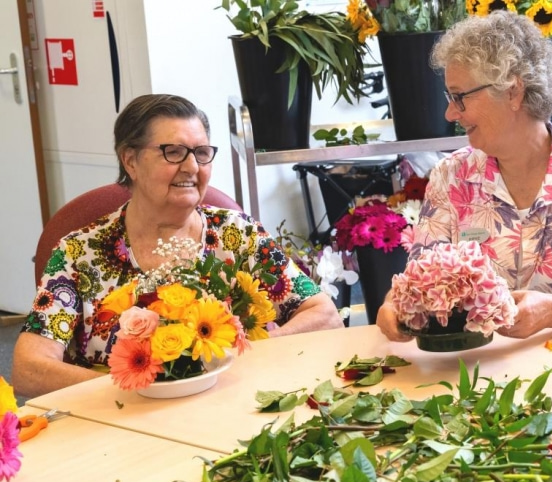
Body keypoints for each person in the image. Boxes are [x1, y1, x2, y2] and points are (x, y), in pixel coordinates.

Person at [13, 94, 343, 397]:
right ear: (130, 161)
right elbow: (28, 368)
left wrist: (239, 358)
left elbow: (325, 315)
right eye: (173, 152)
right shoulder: (79, 254)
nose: (191, 167)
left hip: (226, 404)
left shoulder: (238, 236)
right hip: (117, 420)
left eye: (201, 153)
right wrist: (134, 385)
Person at [377, 11, 552, 341]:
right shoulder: (451, 177)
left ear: (512, 91)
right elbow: (419, 279)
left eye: (460, 97)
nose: (450, 113)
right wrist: (395, 306)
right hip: (477, 374)